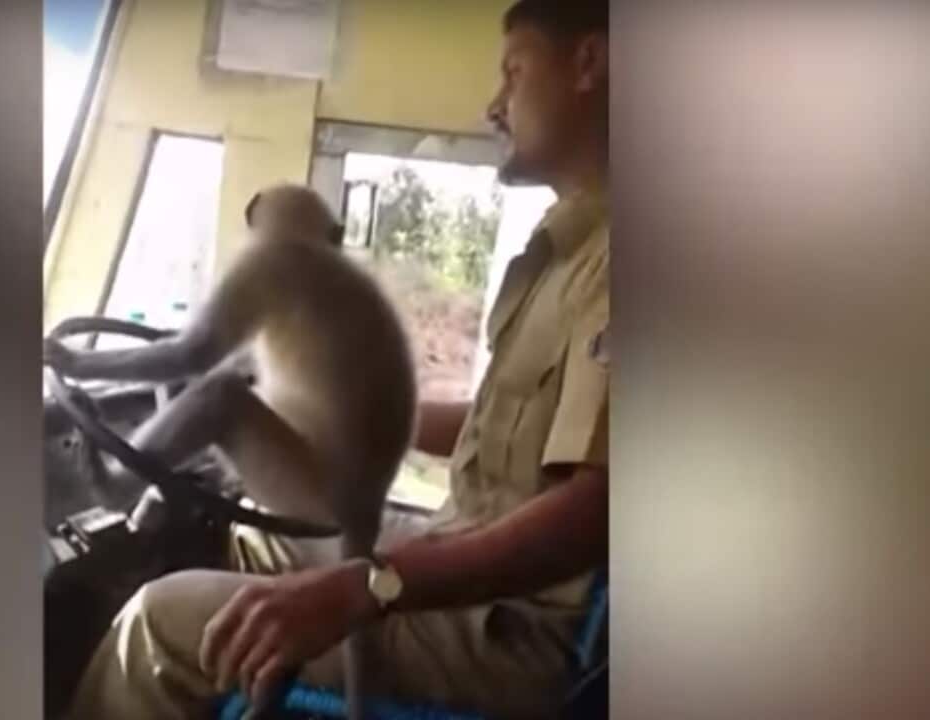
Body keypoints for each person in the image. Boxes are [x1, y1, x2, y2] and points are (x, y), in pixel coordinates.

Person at [68, 1, 609, 717]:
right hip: (458, 553)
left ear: (589, 65)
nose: (493, 104)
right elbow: (509, 429)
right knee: (247, 537)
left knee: (158, 621)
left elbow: (597, 507)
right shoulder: (559, 255)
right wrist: (350, 409)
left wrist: (375, 584)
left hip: (501, 628)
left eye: (514, 73)